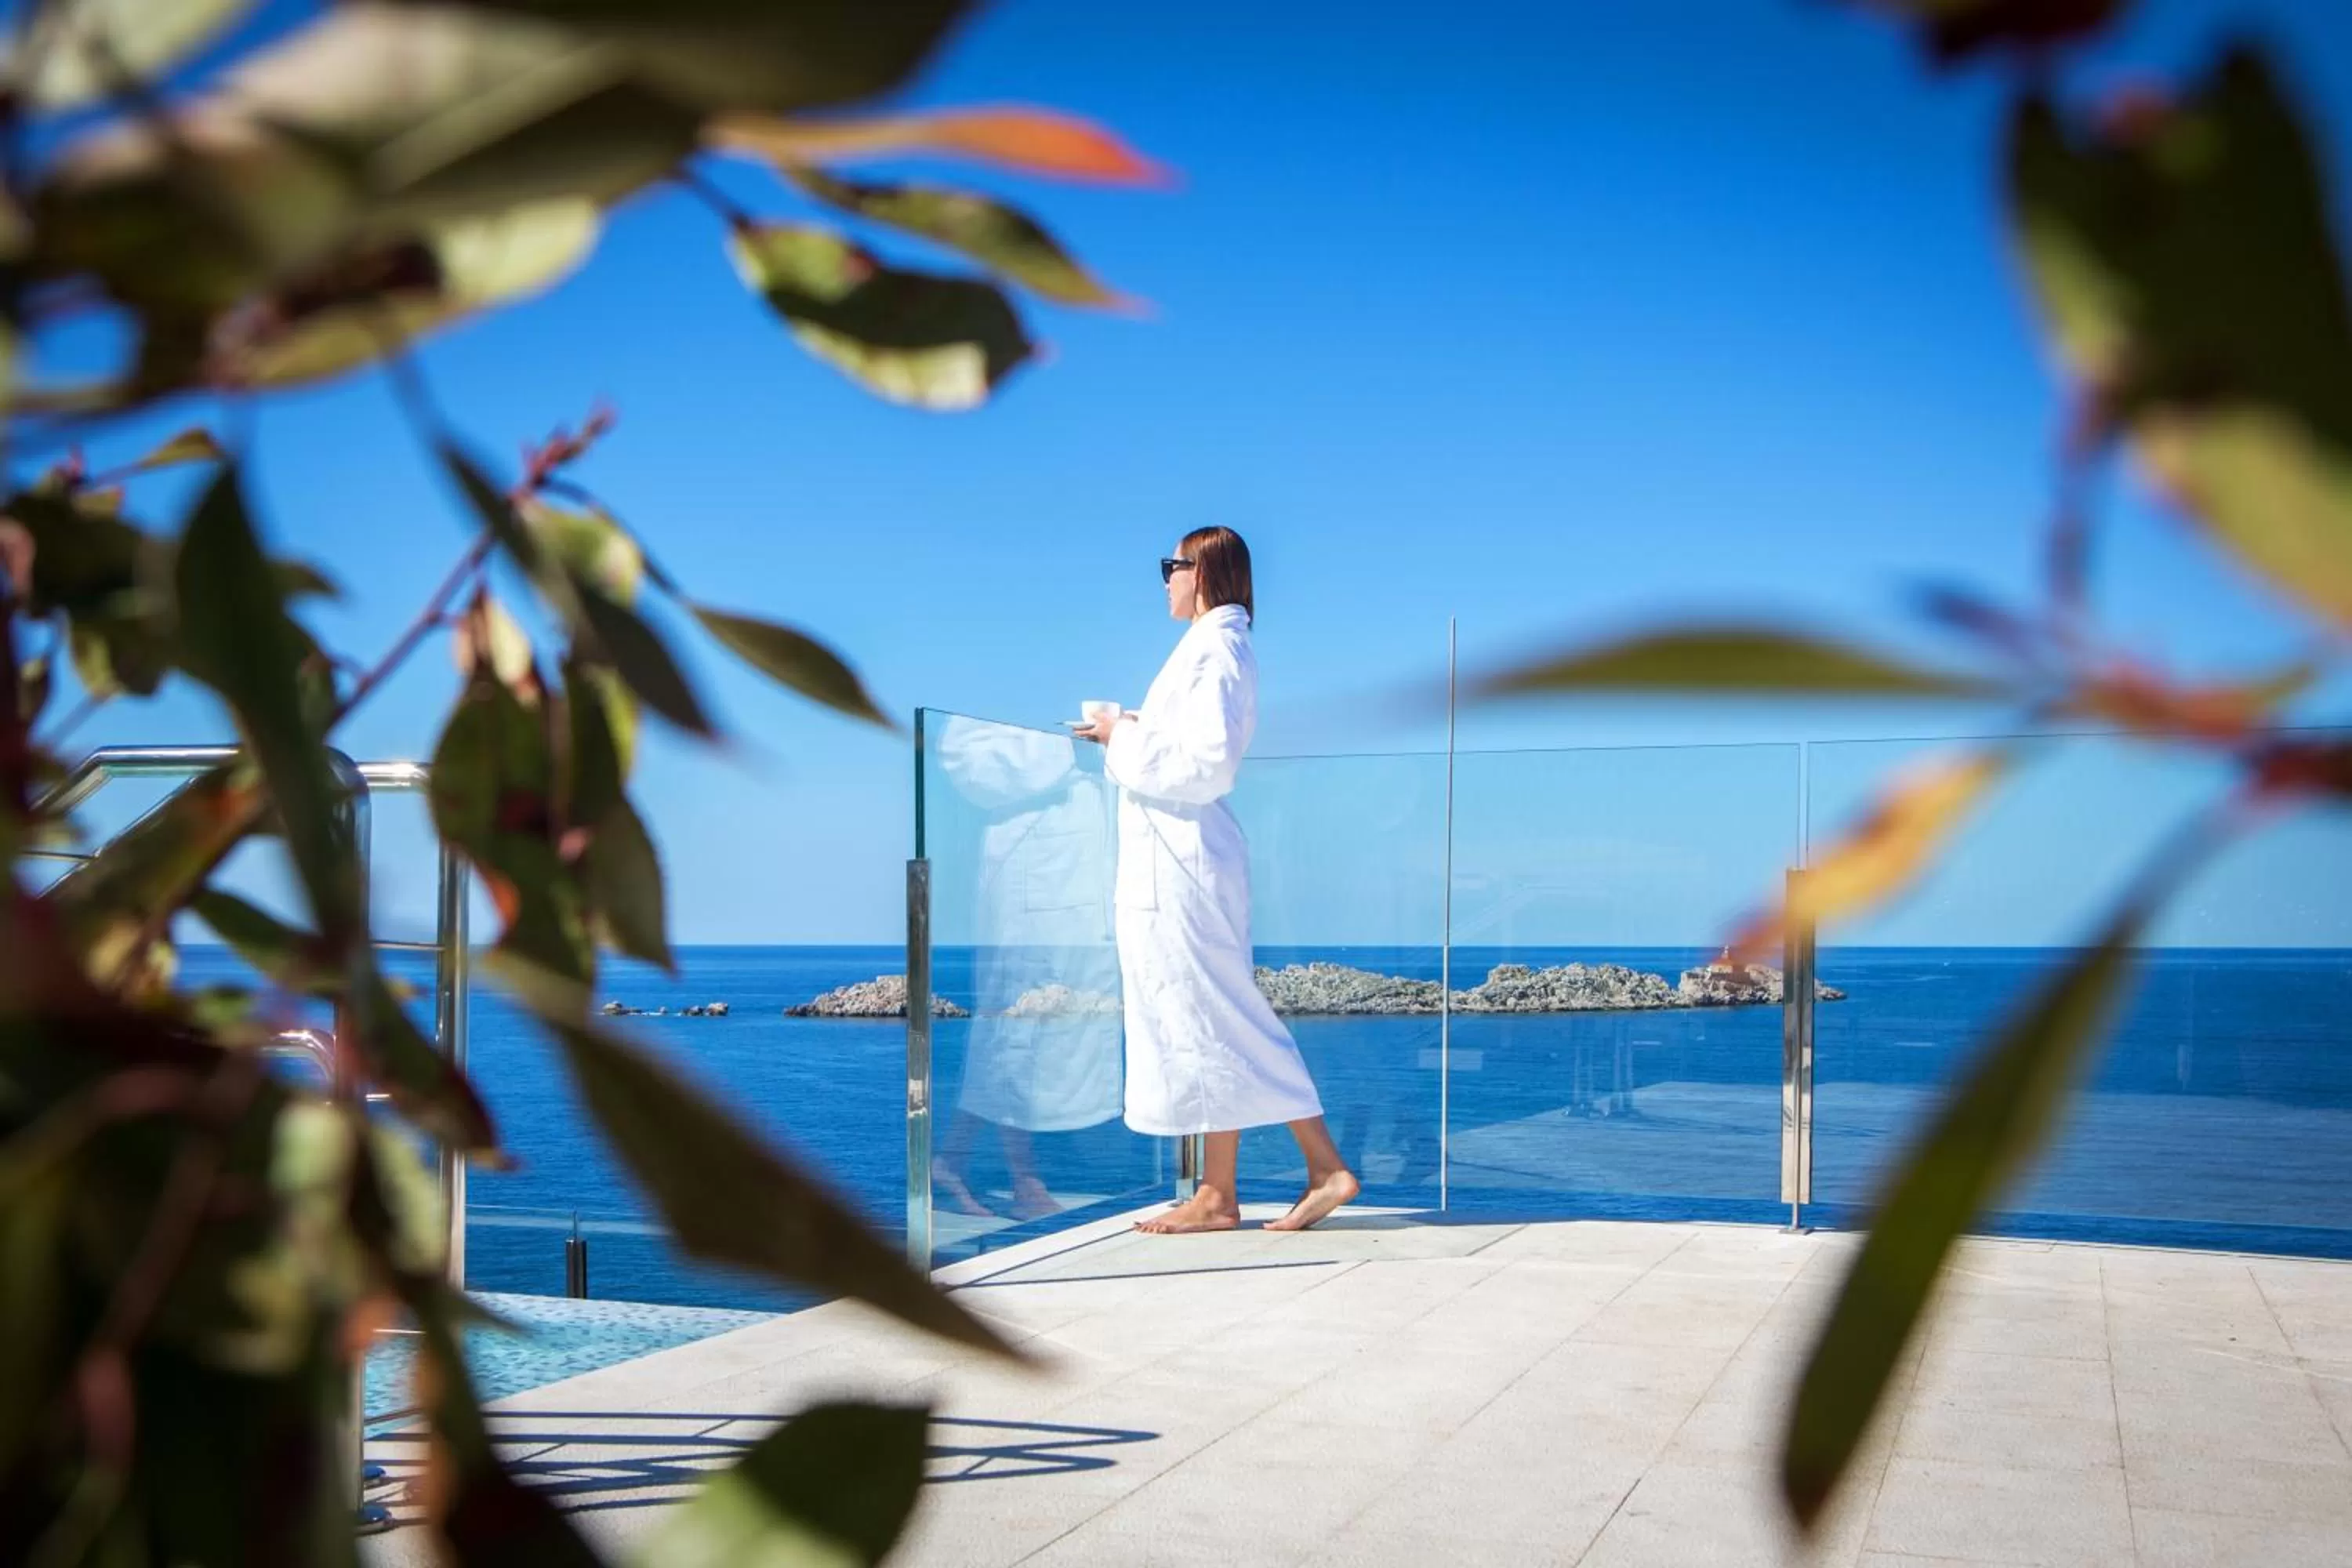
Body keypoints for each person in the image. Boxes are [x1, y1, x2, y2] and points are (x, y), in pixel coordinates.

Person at [1074, 527, 1360, 1233]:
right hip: (1177, 862)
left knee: (1224, 1013)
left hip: (1187, 867)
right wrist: (1135, 724)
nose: (1164, 579)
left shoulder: (1222, 649)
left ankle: (1326, 1168)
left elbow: (1209, 762)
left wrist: (1121, 739)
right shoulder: (1207, 648)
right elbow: (1190, 743)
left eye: (1170, 566)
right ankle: (1217, 1193)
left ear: (1200, 571)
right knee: (1199, 1019)